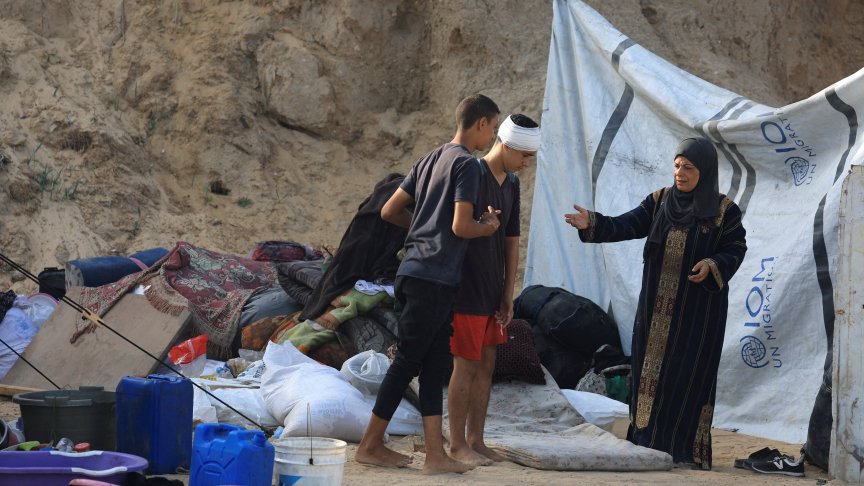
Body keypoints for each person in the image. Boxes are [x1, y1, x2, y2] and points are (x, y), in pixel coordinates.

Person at [563, 137, 747, 469]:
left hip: (698, 315)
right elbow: (626, 224)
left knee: (686, 376)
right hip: (655, 310)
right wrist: (593, 223)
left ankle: (685, 451)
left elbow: (736, 248)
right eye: (677, 165)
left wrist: (713, 265)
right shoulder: (661, 201)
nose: (680, 173)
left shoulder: (724, 212)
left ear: (705, 171)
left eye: (688, 167)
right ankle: (646, 443)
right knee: (650, 377)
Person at [355, 94, 502, 474]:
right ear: (480, 123)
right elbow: (460, 226)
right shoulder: (467, 165)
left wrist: (422, 228)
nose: (492, 137)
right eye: (493, 128)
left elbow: (390, 210)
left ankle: (436, 455)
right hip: (433, 277)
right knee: (407, 362)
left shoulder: (429, 159)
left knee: (436, 366)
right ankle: (370, 444)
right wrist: (487, 228)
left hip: (416, 272)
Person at [447, 114, 539, 466]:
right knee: (465, 364)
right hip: (466, 285)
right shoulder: (472, 172)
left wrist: (507, 292)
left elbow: (512, 241)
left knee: (487, 365)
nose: (527, 163)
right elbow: (457, 225)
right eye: (524, 155)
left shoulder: (512, 183)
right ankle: (457, 444)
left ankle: (477, 439)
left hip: (491, 287)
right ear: (507, 145)